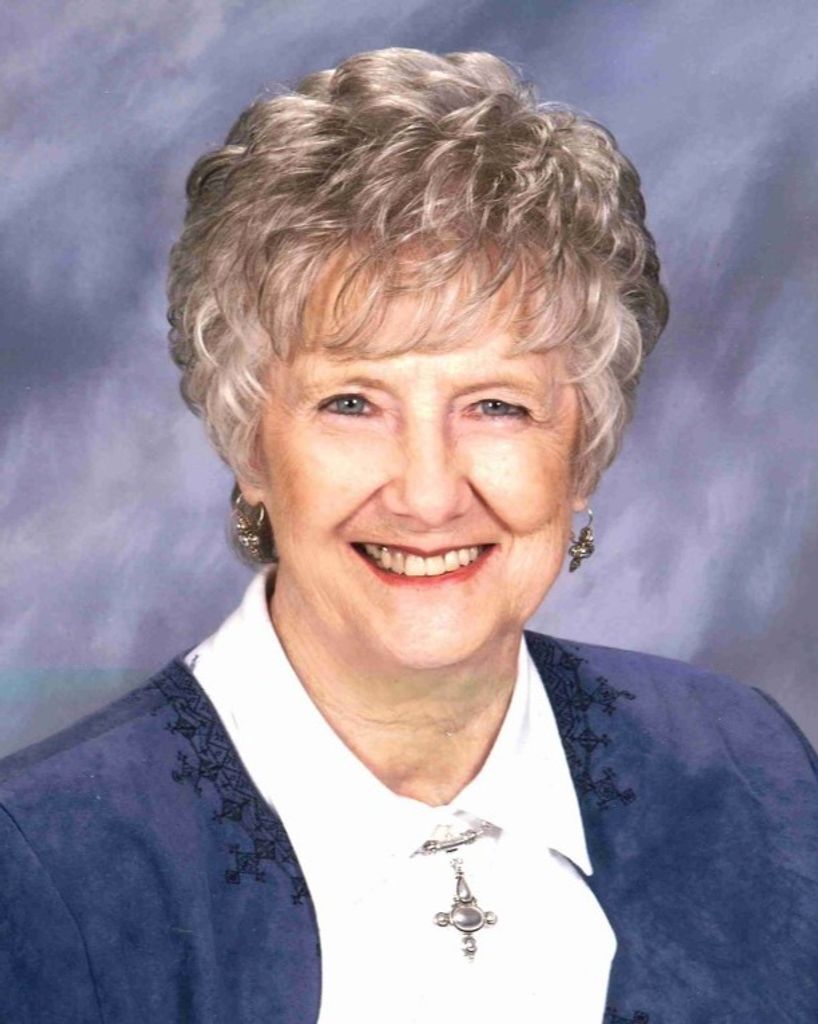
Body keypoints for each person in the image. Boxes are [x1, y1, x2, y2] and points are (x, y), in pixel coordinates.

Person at [1, 47, 816, 1024]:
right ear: (249, 443)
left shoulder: (747, 770)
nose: (427, 495)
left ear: (582, 452)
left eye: (496, 405)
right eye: (352, 402)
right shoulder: (43, 869)